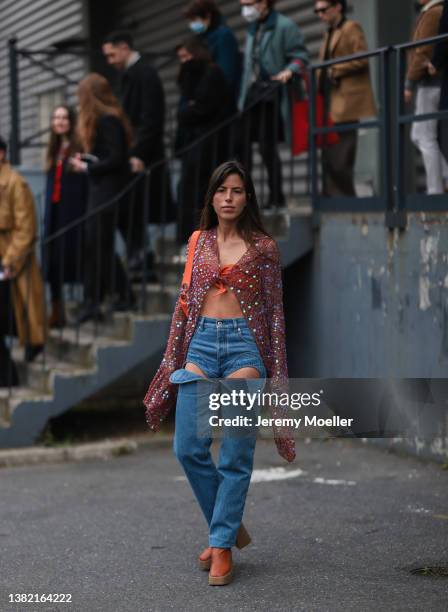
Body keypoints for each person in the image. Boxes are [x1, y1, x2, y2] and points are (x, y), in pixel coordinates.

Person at [143, 160, 295, 586]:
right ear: (211, 196)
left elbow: (276, 314)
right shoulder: (199, 242)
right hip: (202, 345)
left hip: (245, 347)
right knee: (188, 447)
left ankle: (223, 545)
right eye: (222, 190)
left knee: (235, 455)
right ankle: (225, 527)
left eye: (238, 191)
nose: (229, 198)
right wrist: (172, 358)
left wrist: (277, 374)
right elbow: (184, 305)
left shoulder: (264, 247)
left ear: (248, 198)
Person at [102, 31, 170, 277]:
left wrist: (139, 153)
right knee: (130, 210)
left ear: (123, 48)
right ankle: (140, 257)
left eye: (111, 54)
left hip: (142, 157)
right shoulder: (133, 74)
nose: (109, 60)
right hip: (134, 155)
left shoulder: (144, 73)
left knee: (134, 210)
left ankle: (142, 258)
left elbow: (151, 117)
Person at [70, 73, 134, 323]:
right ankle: (104, 298)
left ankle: (109, 298)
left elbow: (116, 158)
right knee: (97, 246)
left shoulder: (109, 120)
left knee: (99, 245)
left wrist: (88, 167)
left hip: (107, 191)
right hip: (101, 190)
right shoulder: (106, 120)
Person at [238, 0, 308, 208]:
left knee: (267, 147)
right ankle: (245, 199)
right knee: (243, 150)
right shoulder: (253, 28)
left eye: (249, 3)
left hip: (271, 93)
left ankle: (276, 196)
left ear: (264, 3)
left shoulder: (284, 26)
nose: (246, 8)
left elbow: (300, 57)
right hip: (252, 95)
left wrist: (289, 71)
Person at [175, 37, 235, 244]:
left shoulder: (211, 73)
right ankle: (192, 236)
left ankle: (201, 235)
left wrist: (188, 110)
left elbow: (203, 107)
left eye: (185, 56)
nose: (183, 62)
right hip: (195, 142)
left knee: (200, 189)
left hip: (208, 143)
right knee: (189, 189)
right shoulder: (194, 75)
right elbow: (189, 106)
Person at [315, 0, 377, 197]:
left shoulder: (351, 28)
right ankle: (332, 199)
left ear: (338, 7)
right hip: (328, 101)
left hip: (346, 102)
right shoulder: (328, 32)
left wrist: (335, 70)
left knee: (341, 158)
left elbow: (362, 58)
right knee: (328, 157)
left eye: (323, 10)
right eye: (316, 11)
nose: (320, 15)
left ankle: (346, 200)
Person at [0, 136, 46, 363]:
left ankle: (34, 344)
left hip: (14, 254)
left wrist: (9, 260)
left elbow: (26, 228)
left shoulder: (16, 183)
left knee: (26, 304)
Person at [43, 105, 88, 328]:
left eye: (64, 117)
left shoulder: (77, 147)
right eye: (56, 117)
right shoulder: (54, 149)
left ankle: (85, 304)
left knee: (73, 257)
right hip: (54, 212)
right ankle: (56, 310)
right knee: (52, 262)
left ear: (71, 121)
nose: (60, 121)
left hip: (72, 212)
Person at [405, 0, 447, 194]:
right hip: (430, 81)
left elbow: (422, 51)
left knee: (425, 136)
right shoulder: (432, 11)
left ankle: (435, 189)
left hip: (430, 82)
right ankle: (443, 178)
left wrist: (409, 82)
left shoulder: (433, 12)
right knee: (420, 135)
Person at [183, 0, 241, 99]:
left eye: (194, 19)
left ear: (208, 16)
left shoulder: (223, 36)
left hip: (219, 103)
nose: (191, 24)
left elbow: (225, 76)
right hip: (203, 102)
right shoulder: (199, 39)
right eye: (190, 21)